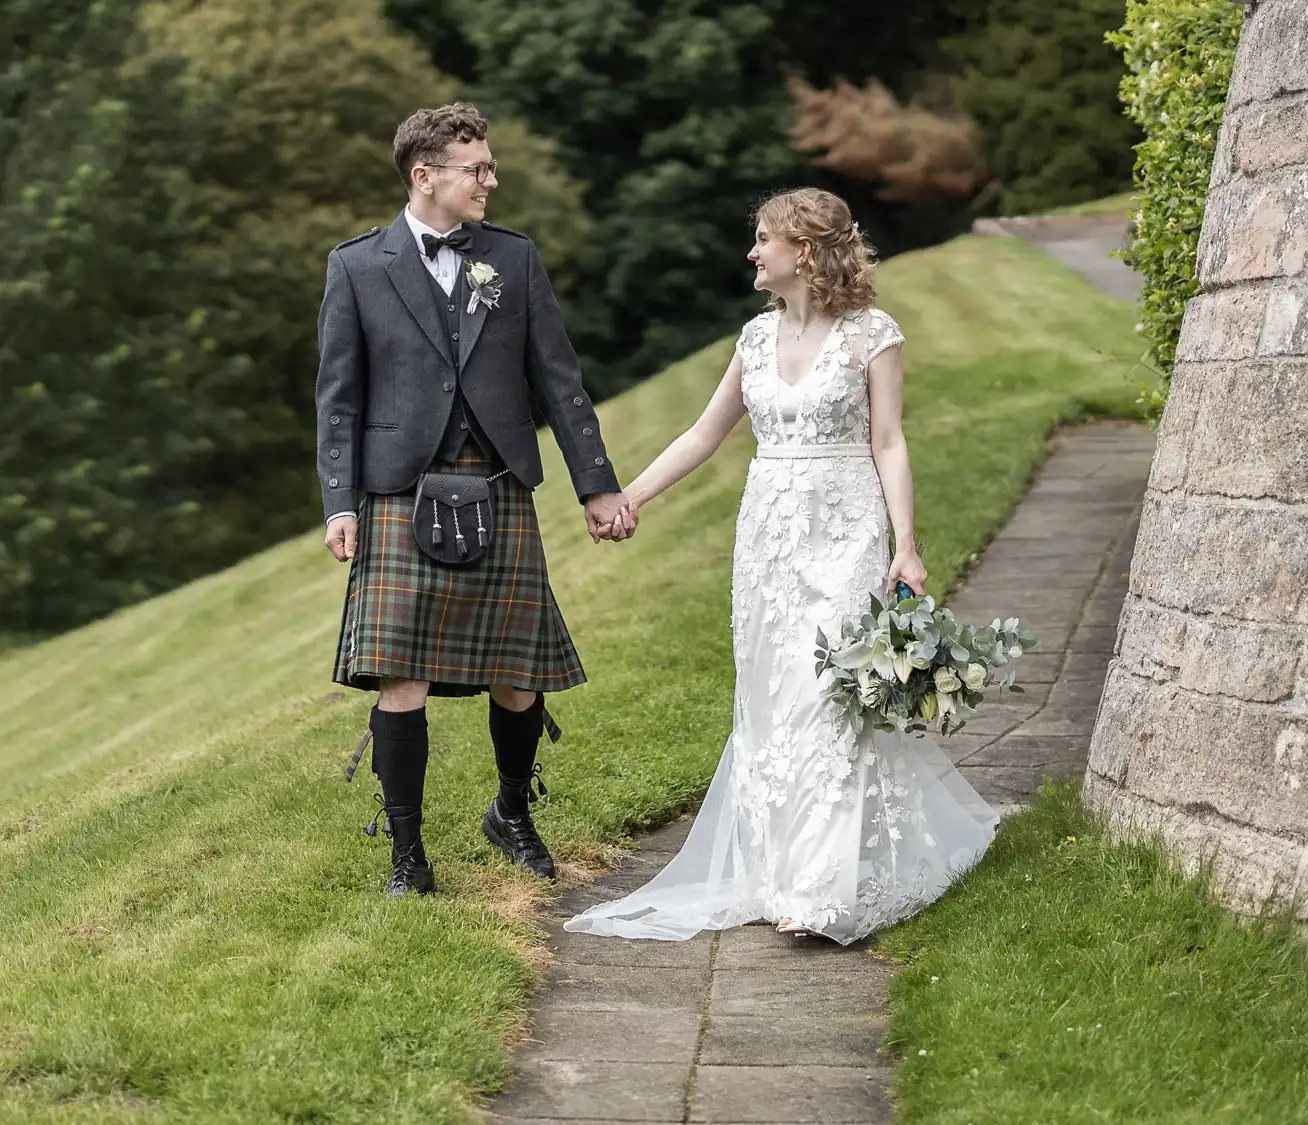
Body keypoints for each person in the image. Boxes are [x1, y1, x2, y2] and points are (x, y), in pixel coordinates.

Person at [569, 187, 997, 942]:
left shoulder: (873, 334)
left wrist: (906, 543)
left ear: (803, 250)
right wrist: (629, 495)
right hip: (769, 537)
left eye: (762, 238)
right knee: (773, 695)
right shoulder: (753, 339)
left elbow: (890, 440)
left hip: (845, 526)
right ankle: (777, 870)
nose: (751, 252)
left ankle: (819, 888)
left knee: (828, 693)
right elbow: (704, 435)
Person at [316, 102, 638, 898]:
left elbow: (561, 384)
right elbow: (338, 400)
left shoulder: (514, 260)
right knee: (402, 677)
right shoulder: (357, 265)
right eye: (478, 168)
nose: (492, 179)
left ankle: (512, 812)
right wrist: (338, 501)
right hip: (399, 487)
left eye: (490, 167)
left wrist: (595, 484)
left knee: (517, 673)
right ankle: (407, 854)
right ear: (425, 176)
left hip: (497, 483)